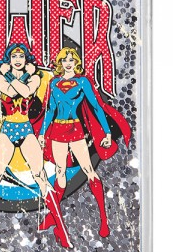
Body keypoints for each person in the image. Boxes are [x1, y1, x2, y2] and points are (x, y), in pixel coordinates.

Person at [0, 43, 72, 249]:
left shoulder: (33, 78)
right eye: (14, 56)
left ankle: (62, 230)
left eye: (21, 56)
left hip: (25, 129)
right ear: (9, 58)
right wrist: (17, 76)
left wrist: (19, 75)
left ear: (26, 59)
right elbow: (11, 93)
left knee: (40, 177)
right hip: (7, 130)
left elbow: (25, 91)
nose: (18, 59)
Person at [37, 47, 131, 238]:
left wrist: (107, 132)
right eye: (64, 60)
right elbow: (50, 110)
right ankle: (54, 217)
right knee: (60, 172)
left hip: (75, 130)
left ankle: (104, 220)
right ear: (60, 63)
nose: (68, 63)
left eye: (71, 60)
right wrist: (41, 133)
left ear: (76, 62)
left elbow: (96, 106)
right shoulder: (54, 83)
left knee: (89, 170)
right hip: (57, 131)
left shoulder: (82, 81)